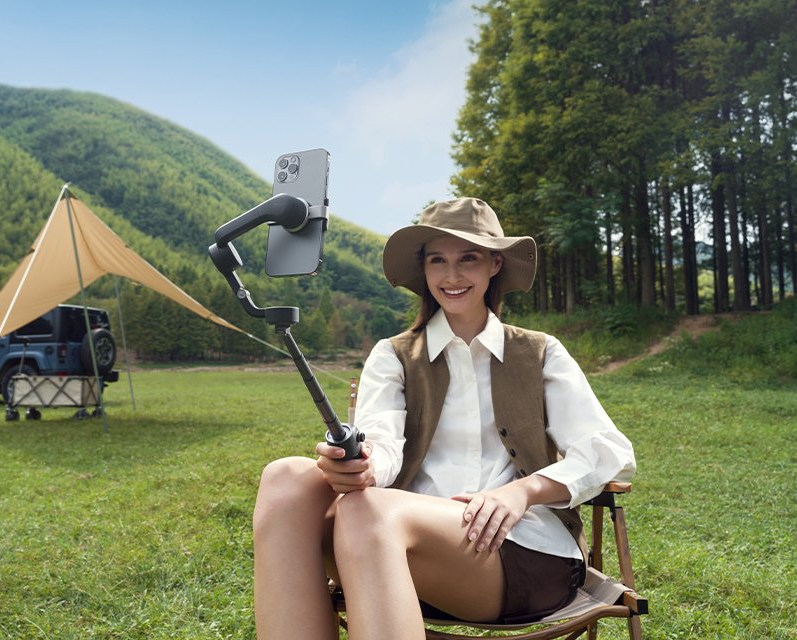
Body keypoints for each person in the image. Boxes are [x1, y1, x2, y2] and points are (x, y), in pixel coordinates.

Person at [252, 197, 636, 640]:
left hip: (524, 555)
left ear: (494, 264)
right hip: (395, 554)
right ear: (424, 269)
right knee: (286, 478)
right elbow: (383, 443)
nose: (452, 276)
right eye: (438, 260)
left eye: (468, 258)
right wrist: (364, 464)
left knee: (368, 511)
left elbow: (609, 450)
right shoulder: (393, 356)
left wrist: (522, 492)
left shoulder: (540, 352)